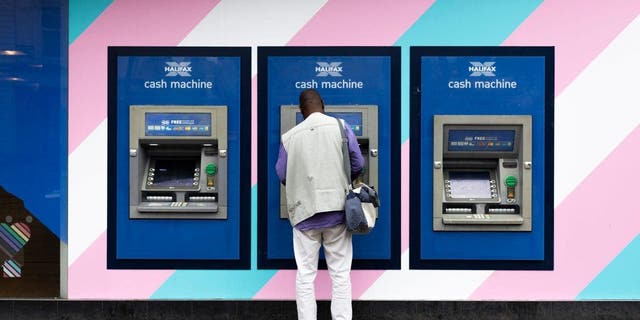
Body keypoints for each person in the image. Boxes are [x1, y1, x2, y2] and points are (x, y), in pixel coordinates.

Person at [276, 89, 364, 320]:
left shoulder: (290, 136)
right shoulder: (340, 127)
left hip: (305, 214)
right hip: (337, 211)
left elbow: (282, 173)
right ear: (322, 105)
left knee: (305, 275)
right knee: (340, 274)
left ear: (301, 110)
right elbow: (358, 162)